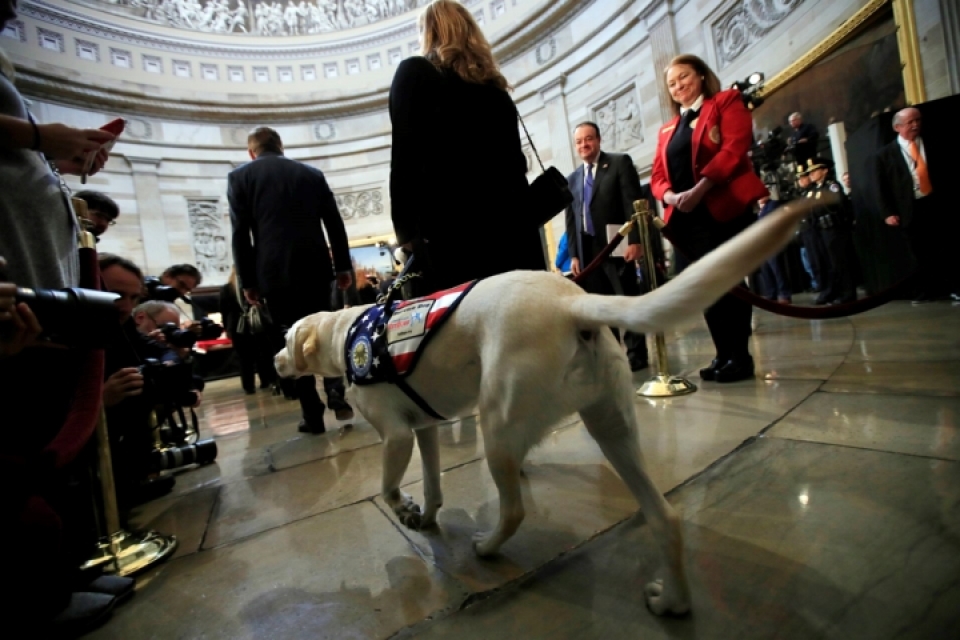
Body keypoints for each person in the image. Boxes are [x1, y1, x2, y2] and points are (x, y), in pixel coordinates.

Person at [388, 0, 546, 297]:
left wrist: (405, 237)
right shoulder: (496, 92)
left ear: (430, 33)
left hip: (453, 241)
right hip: (513, 239)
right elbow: (516, 166)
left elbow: (404, 162)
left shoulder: (415, 73)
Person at [650, 54, 768, 383]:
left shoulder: (725, 102)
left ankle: (740, 357)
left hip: (722, 207)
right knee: (706, 286)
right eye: (671, 83)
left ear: (701, 75)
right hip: (687, 217)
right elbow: (658, 176)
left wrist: (701, 188)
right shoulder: (667, 129)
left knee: (729, 280)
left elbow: (733, 148)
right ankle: (722, 354)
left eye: (684, 77)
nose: (678, 86)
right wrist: (670, 196)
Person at [228, 126, 354, 434]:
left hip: (272, 272)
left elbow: (240, 233)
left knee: (289, 338)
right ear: (281, 146)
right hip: (315, 267)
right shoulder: (310, 174)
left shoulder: (240, 177)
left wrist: (247, 281)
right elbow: (334, 223)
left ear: (251, 152)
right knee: (322, 328)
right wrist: (342, 267)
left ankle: (312, 414)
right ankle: (336, 388)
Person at [563, 121, 648, 371]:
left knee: (626, 300)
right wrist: (574, 255)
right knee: (602, 306)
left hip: (617, 245)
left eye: (588, 139)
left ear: (598, 140)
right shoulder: (573, 179)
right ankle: (613, 354)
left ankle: (637, 354)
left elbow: (632, 202)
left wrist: (635, 240)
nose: (584, 145)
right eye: (579, 141)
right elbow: (571, 221)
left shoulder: (619, 163)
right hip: (589, 252)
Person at [875, 107, 958, 303]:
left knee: (947, 246)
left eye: (918, 120)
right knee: (919, 252)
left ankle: (954, 287)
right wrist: (888, 212)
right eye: (910, 122)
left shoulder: (933, 142)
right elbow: (881, 187)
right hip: (909, 208)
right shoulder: (884, 155)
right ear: (897, 127)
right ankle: (926, 290)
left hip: (936, 204)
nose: (915, 125)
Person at [807, 157, 857, 305]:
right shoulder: (815, 189)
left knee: (840, 262)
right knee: (829, 263)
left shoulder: (831, 186)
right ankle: (834, 292)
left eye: (815, 171)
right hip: (821, 230)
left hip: (834, 229)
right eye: (810, 172)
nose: (812, 174)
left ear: (825, 170)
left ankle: (848, 294)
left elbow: (840, 206)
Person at [219, 267, 276, 394]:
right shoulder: (255, 286)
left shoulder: (227, 288)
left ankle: (248, 386)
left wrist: (227, 328)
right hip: (257, 324)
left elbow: (224, 311)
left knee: (244, 359)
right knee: (263, 354)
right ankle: (266, 381)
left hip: (237, 327)